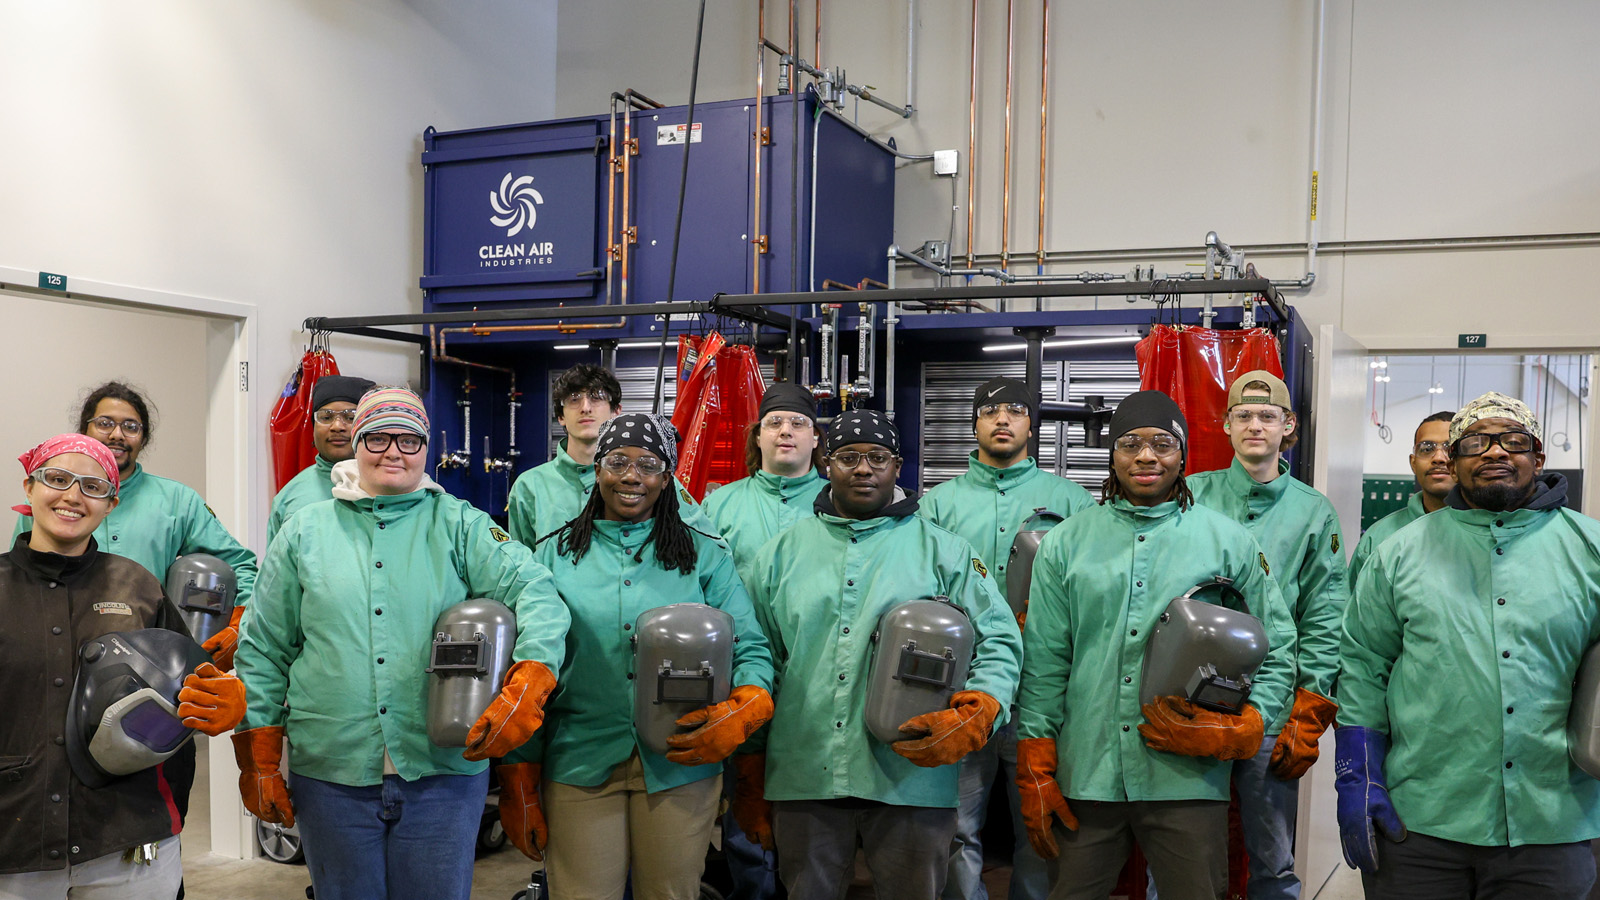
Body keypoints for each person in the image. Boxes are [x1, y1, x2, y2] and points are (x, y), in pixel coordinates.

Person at [232, 388, 571, 900]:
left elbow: (537, 592)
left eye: (409, 439)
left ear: (425, 449)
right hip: (331, 773)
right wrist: (258, 756)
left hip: (442, 776)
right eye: (378, 437)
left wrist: (533, 675)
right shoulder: (305, 531)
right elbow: (263, 647)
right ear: (357, 443)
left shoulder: (460, 525)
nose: (394, 451)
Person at [1013, 390, 1297, 900]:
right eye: (1130, 444)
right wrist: (1036, 751)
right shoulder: (1064, 545)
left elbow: (1276, 646)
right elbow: (1046, 660)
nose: (1146, 456)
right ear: (1112, 455)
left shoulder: (1228, 542)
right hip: (1088, 772)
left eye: (1162, 443)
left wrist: (1253, 721)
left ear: (1182, 455)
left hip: (1186, 776)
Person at [734, 409, 1023, 900]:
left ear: (897, 466)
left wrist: (984, 706)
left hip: (912, 775)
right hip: (806, 773)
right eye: (848, 457)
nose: (863, 468)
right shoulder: (780, 555)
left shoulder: (946, 552)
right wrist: (749, 765)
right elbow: (756, 654)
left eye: (877, 457)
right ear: (827, 464)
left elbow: (999, 639)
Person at [499, 413, 776, 900]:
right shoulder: (553, 555)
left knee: (671, 893)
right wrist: (519, 775)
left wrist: (750, 699)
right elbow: (529, 662)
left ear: (667, 478)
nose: (632, 476)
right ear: (597, 470)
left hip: (681, 759)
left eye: (648, 465)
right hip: (579, 759)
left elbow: (748, 643)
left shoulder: (703, 554)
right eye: (617, 462)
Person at [1337, 392, 1600, 899]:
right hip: (1421, 821)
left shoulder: (1590, 550)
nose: (1495, 451)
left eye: (1513, 440)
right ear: (1453, 463)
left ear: (1538, 457)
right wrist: (1358, 774)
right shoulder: (1399, 553)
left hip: (1552, 820)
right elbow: (1363, 666)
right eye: (1475, 443)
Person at [0, 434, 245, 898]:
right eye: (57, 479)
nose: (73, 496)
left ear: (111, 503)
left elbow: (191, 687)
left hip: (129, 838)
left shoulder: (138, 586)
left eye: (92, 487)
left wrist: (220, 699)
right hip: (14, 841)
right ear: (29, 487)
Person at [919, 377, 1095, 900]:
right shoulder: (937, 505)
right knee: (954, 827)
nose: (1002, 419)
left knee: (1041, 825)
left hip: (1044, 690)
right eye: (990, 411)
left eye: (1015, 410)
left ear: (1031, 424)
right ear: (973, 423)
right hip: (960, 688)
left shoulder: (1073, 503)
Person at [1181, 371, 1348, 900]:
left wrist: (1311, 702)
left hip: (1272, 705)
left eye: (1268, 416)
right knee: (1180, 858)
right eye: (1244, 415)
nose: (1256, 425)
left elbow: (1325, 611)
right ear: (1226, 424)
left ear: (1287, 426)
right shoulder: (1191, 495)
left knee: (1273, 859)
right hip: (1189, 697)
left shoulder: (1313, 511)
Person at [12, 381, 260, 670]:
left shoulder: (178, 500)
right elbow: (19, 579)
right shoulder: (51, 502)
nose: (117, 434)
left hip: (148, 660)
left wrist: (240, 623)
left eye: (131, 427)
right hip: (53, 650)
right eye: (105, 423)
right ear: (84, 429)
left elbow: (240, 565)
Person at [701, 381, 824, 900]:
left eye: (798, 423)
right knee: (744, 809)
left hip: (816, 682)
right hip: (738, 677)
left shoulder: (840, 501)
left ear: (815, 438)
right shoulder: (719, 504)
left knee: (811, 820)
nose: (786, 432)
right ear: (758, 436)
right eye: (774, 423)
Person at [507, 364, 711, 545]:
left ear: (616, 412)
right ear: (560, 416)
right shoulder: (530, 487)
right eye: (574, 399)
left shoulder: (653, 480)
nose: (585, 408)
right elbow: (522, 564)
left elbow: (706, 543)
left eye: (597, 398)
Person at [1347, 410, 1456, 591]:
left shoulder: (1490, 530)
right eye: (1427, 449)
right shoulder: (1379, 537)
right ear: (1413, 463)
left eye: (1450, 448)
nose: (1438, 458)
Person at [266, 374, 375, 547]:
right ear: (313, 426)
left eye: (350, 417)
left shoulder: (389, 486)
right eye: (326, 417)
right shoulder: (289, 498)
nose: (337, 426)